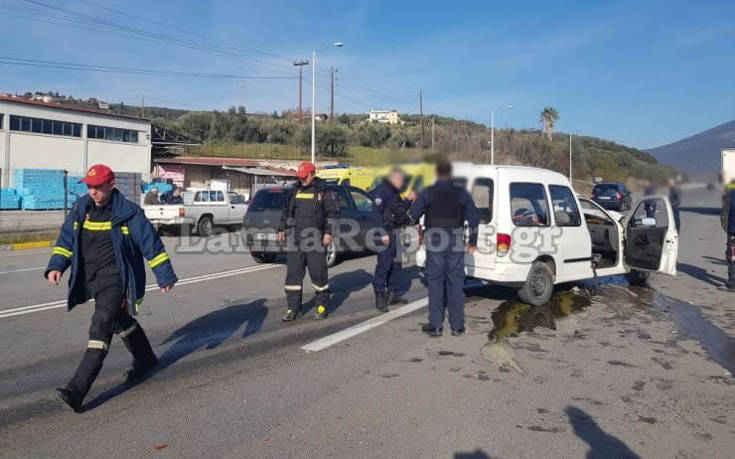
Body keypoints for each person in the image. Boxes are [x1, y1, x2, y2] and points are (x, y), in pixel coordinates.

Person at [46, 164, 178, 412]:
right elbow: (65, 240)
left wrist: (164, 275)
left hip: (117, 279)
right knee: (119, 320)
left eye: (97, 186)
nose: (93, 191)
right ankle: (146, 359)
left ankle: (76, 390)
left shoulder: (128, 212)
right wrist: (57, 266)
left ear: (111, 185)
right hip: (91, 279)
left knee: (102, 323)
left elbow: (151, 244)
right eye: (89, 186)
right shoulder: (80, 209)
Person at [409, 160, 479, 336]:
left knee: (435, 282)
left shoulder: (428, 192)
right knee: (455, 283)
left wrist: (413, 201)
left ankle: (436, 325)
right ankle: (457, 326)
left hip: (435, 240)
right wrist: (473, 241)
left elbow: (413, 215)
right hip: (455, 239)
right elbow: (474, 218)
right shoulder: (461, 192)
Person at [277, 161, 340, 321]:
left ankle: (321, 306)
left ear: (313, 175)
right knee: (293, 276)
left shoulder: (324, 191)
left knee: (318, 274)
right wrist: (282, 228)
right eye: (300, 177)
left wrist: (328, 233)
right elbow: (286, 212)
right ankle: (293, 308)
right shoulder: (295, 190)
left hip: (316, 240)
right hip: (296, 240)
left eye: (304, 177)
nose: (302, 180)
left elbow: (333, 214)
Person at [370, 167, 412, 312]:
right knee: (384, 264)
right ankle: (380, 296)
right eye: (401, 180)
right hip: (384, 233)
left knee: (395, 265)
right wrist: (383, 233)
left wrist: (409, 201)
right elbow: (376, 214)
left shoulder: (395, 192)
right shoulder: (381, 191)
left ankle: (393, 294)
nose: (403, 183)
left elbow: (399, 211)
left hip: (394, 232)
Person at [719, 182, 735, 292]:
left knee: (732, 256)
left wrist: (725, 228)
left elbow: (724, 214)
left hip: (733, 232)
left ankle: (732, 283)